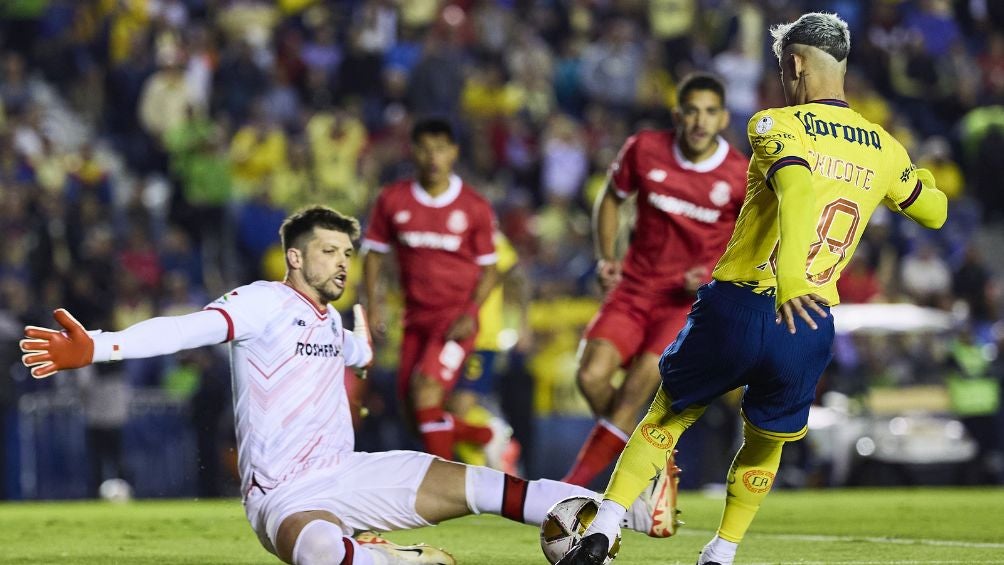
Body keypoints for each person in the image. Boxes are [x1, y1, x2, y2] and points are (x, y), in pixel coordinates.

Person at [20, 206, 675, 565]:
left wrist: (361, 346)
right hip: (283, 497)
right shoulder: (261, 301)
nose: (342, 262)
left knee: (480, 483)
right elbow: (188, 329)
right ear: (296, 256)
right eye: (330, 250)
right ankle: (398, 561)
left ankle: (629, 510)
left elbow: (350, 352)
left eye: (347, 252)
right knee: (311, 549)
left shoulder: (333, 321)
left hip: (349, 473)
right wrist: (102, 345)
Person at [558, 13, 948, 565]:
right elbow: (934, 212)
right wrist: (917, 176)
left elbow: (795, 187)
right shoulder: (884, 148)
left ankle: (605, 527)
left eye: (782, 70)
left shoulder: (774, 125)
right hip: (811, 323)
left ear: (794, 65)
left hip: (743, 304)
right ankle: (722, 553)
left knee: (666, 418)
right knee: (765, 442)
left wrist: (787, 279)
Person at [563, 73, 747, 505]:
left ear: (722, 118)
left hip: (686, 306)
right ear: (677, 115)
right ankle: (654, 465)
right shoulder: (644, 149)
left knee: (636, 391)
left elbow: (757, 242)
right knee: (590, 378)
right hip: (633, 289)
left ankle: (568, 489)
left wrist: (714, 276)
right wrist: (606, 256)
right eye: (692, 111)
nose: (700, 121)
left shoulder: (740, 175)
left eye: (710, 112)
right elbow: (611, 198)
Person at [362, 118, 507, 465]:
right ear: (413, 151)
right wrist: (374, 305)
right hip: (415, 319)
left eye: (440, 149)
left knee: (426, 391)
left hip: (454, 319)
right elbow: (373, 255)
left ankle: (446, 490)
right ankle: (487, 435)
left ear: (453, 152)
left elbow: (491, 269)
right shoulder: (392, 200)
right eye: (425, 149)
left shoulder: (473, 206)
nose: (432, 157)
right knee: (414, 415)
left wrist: (470, 313)